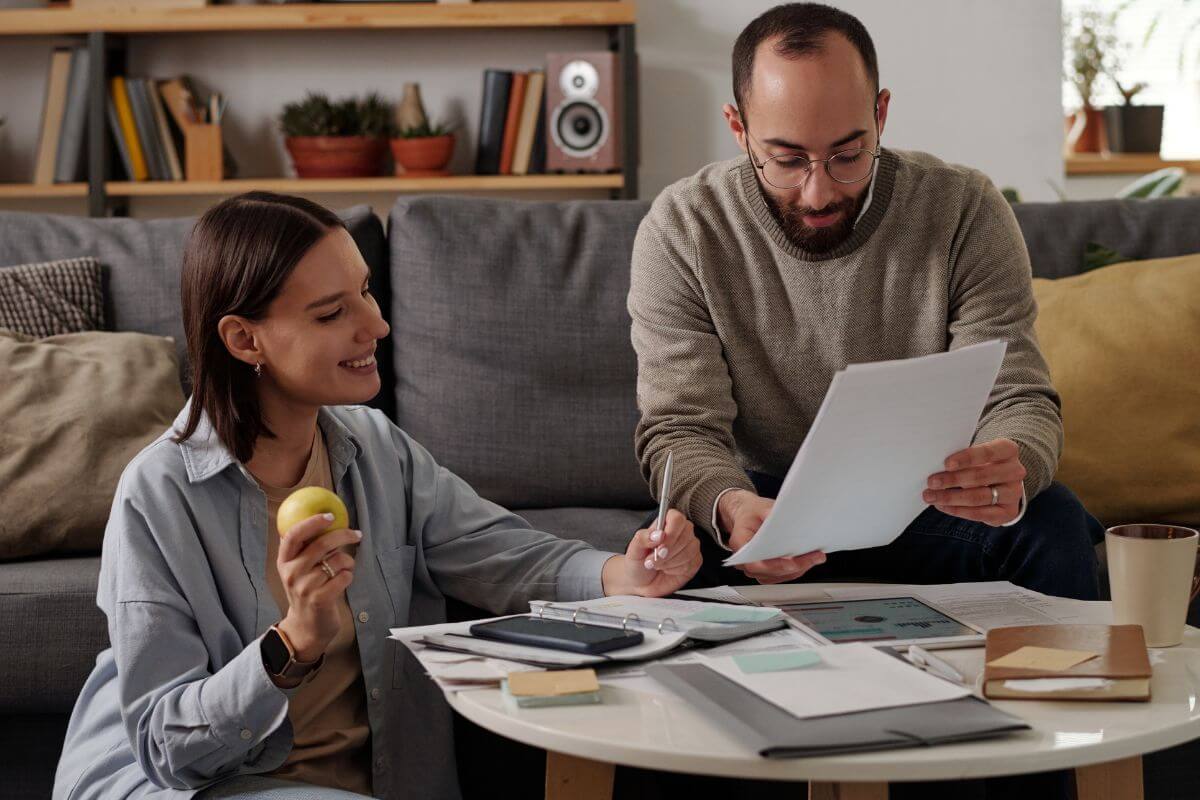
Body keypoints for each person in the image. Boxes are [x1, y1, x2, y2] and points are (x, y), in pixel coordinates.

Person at [54, 191, 701, 800]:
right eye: (332, 313)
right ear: (244, 339)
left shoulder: (373, 446)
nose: (377, 325)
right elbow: (165, 749)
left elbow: (501, 552)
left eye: (364, 292)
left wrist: (624, 573)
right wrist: (294, 642)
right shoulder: (159, 495)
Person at [628, 3, 1103, 599]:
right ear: (738, 127)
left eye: (848, 155)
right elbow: (678, 427)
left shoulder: (964, 209)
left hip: (927, 501)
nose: (818, 190)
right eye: (787, 159)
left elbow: (1017, 393)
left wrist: (1015, 460)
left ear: (880, 114)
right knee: (664, 556)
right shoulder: (684, 228)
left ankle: (1062, 688)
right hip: (760, 503)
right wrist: (729, 507)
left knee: (1052, 522)